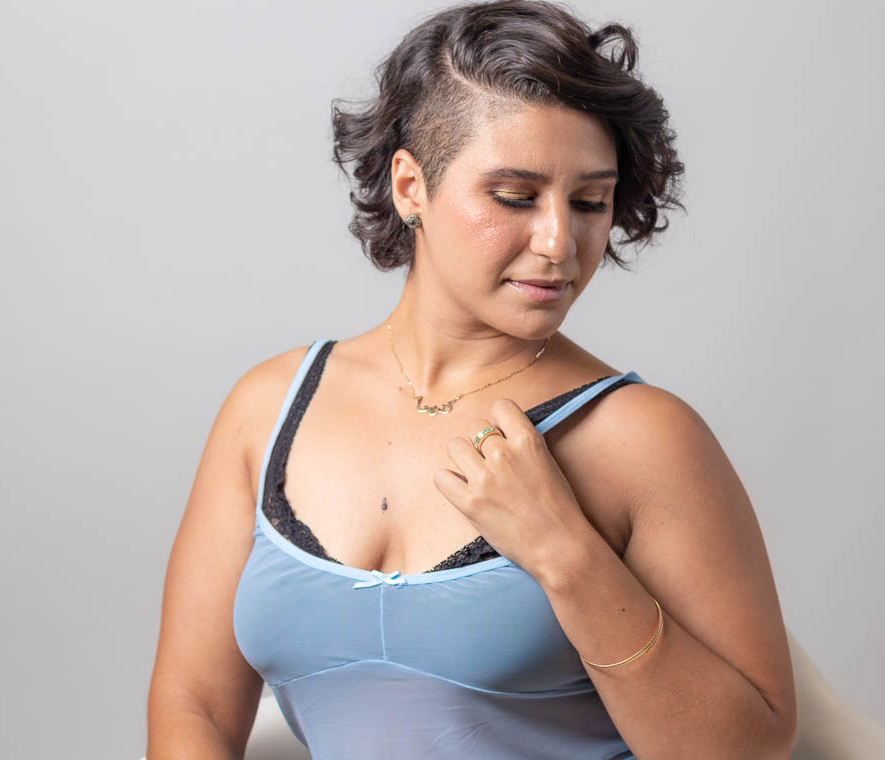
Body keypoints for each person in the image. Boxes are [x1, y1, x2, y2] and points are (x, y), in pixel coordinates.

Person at [146, 1, 797, 757]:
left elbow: (750, 748)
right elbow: (194, 708)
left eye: (590, 202)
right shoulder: (269, 408)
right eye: (515, 197)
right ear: (411, 186)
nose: (560, 242)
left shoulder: (641, 437)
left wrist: (566, 553)